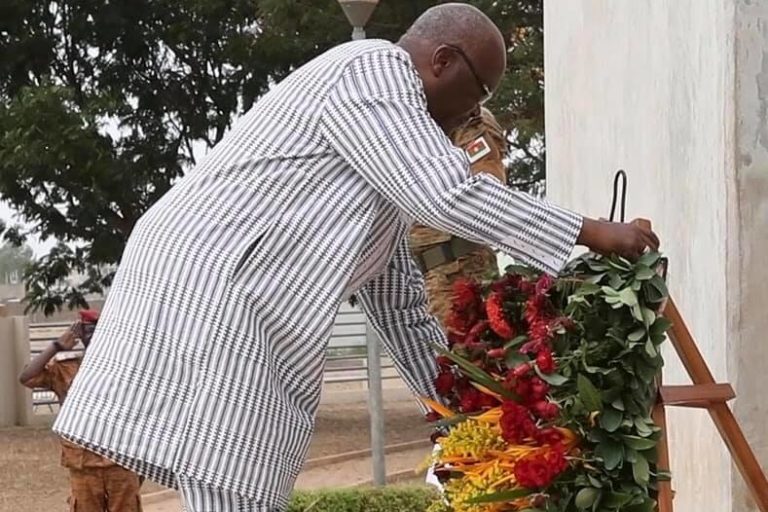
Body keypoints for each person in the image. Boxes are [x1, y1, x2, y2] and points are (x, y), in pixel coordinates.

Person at [53, 3, 659, 511]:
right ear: (442, 60)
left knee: (236, 481)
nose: (471, 117)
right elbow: (446, 195)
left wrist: (460, 407)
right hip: (214, 289)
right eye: (476, 97)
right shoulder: (372, 71)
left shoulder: (387, 158)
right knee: (234, 484)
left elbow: (399, 306)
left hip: (229, 296)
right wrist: (591, 231)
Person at [19, 310, 142, 512]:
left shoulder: (125, 369)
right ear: (80, 334)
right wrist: (56, 346)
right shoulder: (66, 369)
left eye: (98, 330)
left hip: (120, 460)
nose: (94, 335)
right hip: (83, 464)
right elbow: (27, 377)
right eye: (88, 330)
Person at [410, 105, 508, 326]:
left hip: (456, 272)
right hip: (420, 276)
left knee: (460, 343)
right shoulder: (409, 115)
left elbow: (489, 183)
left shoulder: (465, 115)